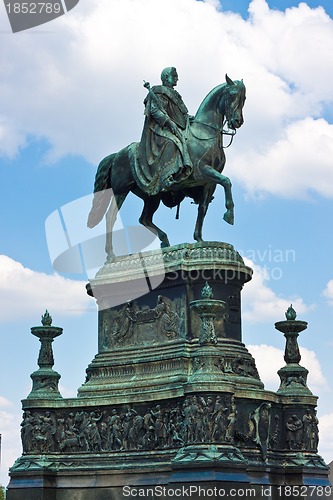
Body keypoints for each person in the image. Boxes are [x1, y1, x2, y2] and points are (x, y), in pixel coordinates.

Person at [138, 67, 193, 194]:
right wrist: (168, 122)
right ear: (166, 77)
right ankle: (165, 176)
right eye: (174, 77)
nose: (177, 79)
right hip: (159, 128)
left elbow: (180, 114)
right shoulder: (158, 91)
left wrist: (189, 119)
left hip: (177, 127)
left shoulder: (176, 95)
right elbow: (154, 111)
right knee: (172, 143)